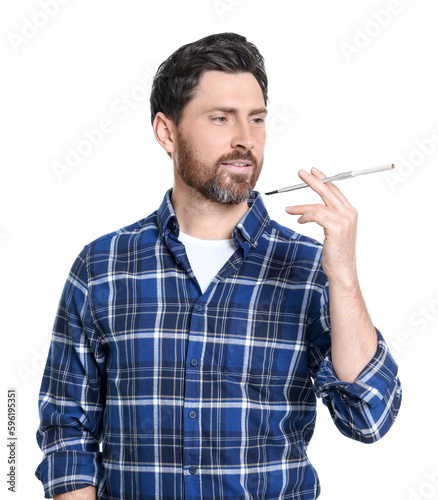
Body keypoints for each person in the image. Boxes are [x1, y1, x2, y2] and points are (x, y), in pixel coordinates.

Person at [36, 32, 402, 499]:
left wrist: (344, 276)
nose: (245, 140)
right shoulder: (102, 267)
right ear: (167, 132)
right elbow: (66, 428)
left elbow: (369, 417)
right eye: (221, 118)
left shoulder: (310, 268)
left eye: (257, 119)